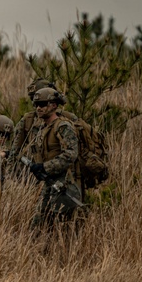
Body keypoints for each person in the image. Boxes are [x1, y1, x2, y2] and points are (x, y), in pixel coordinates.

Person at [24, 87, 82, 229]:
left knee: (61, 227)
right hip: (49, 183)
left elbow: (71, 154)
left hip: (64, 185)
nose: (38, 108)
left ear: (54, 105)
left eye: (43, 104)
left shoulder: (63, 126)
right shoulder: (44, 128)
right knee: (37, 226)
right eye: (36, 105)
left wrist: (45, 167)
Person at [7, 78, 78, 165]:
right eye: (35, 101)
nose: (38, 107)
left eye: (42, 102)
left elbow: (73, 153)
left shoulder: (66, 120)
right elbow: (14, 152)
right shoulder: (28, 120)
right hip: (36, 171)